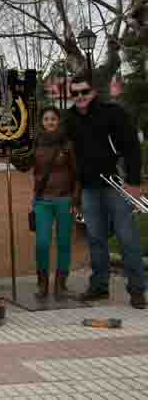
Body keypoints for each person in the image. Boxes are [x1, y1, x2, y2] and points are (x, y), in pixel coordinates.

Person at [65, 72, 146, 307]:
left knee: (127, 238)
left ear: (93, 92)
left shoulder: (113, 113)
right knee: (96, 239)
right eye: (75, 93)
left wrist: (132, 182)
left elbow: (132, 147)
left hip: (116, 185)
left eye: (84, 92)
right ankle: (99, 286)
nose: (79, 97)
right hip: (90, 188)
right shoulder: (70, 118)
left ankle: (137, 289)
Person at [31, 107, 80, 300]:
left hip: (65, 199)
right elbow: (26, 166)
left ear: (59, 121)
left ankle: (61, 284)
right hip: (43, 200)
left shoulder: (67, 145)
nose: (50, 122)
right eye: (46, 119)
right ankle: (42, 283)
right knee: (42, 243)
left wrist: (75, 199)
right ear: (41, 122)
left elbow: (77, 175)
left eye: (53, 119)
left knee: (63, 242)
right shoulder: (35, 144)